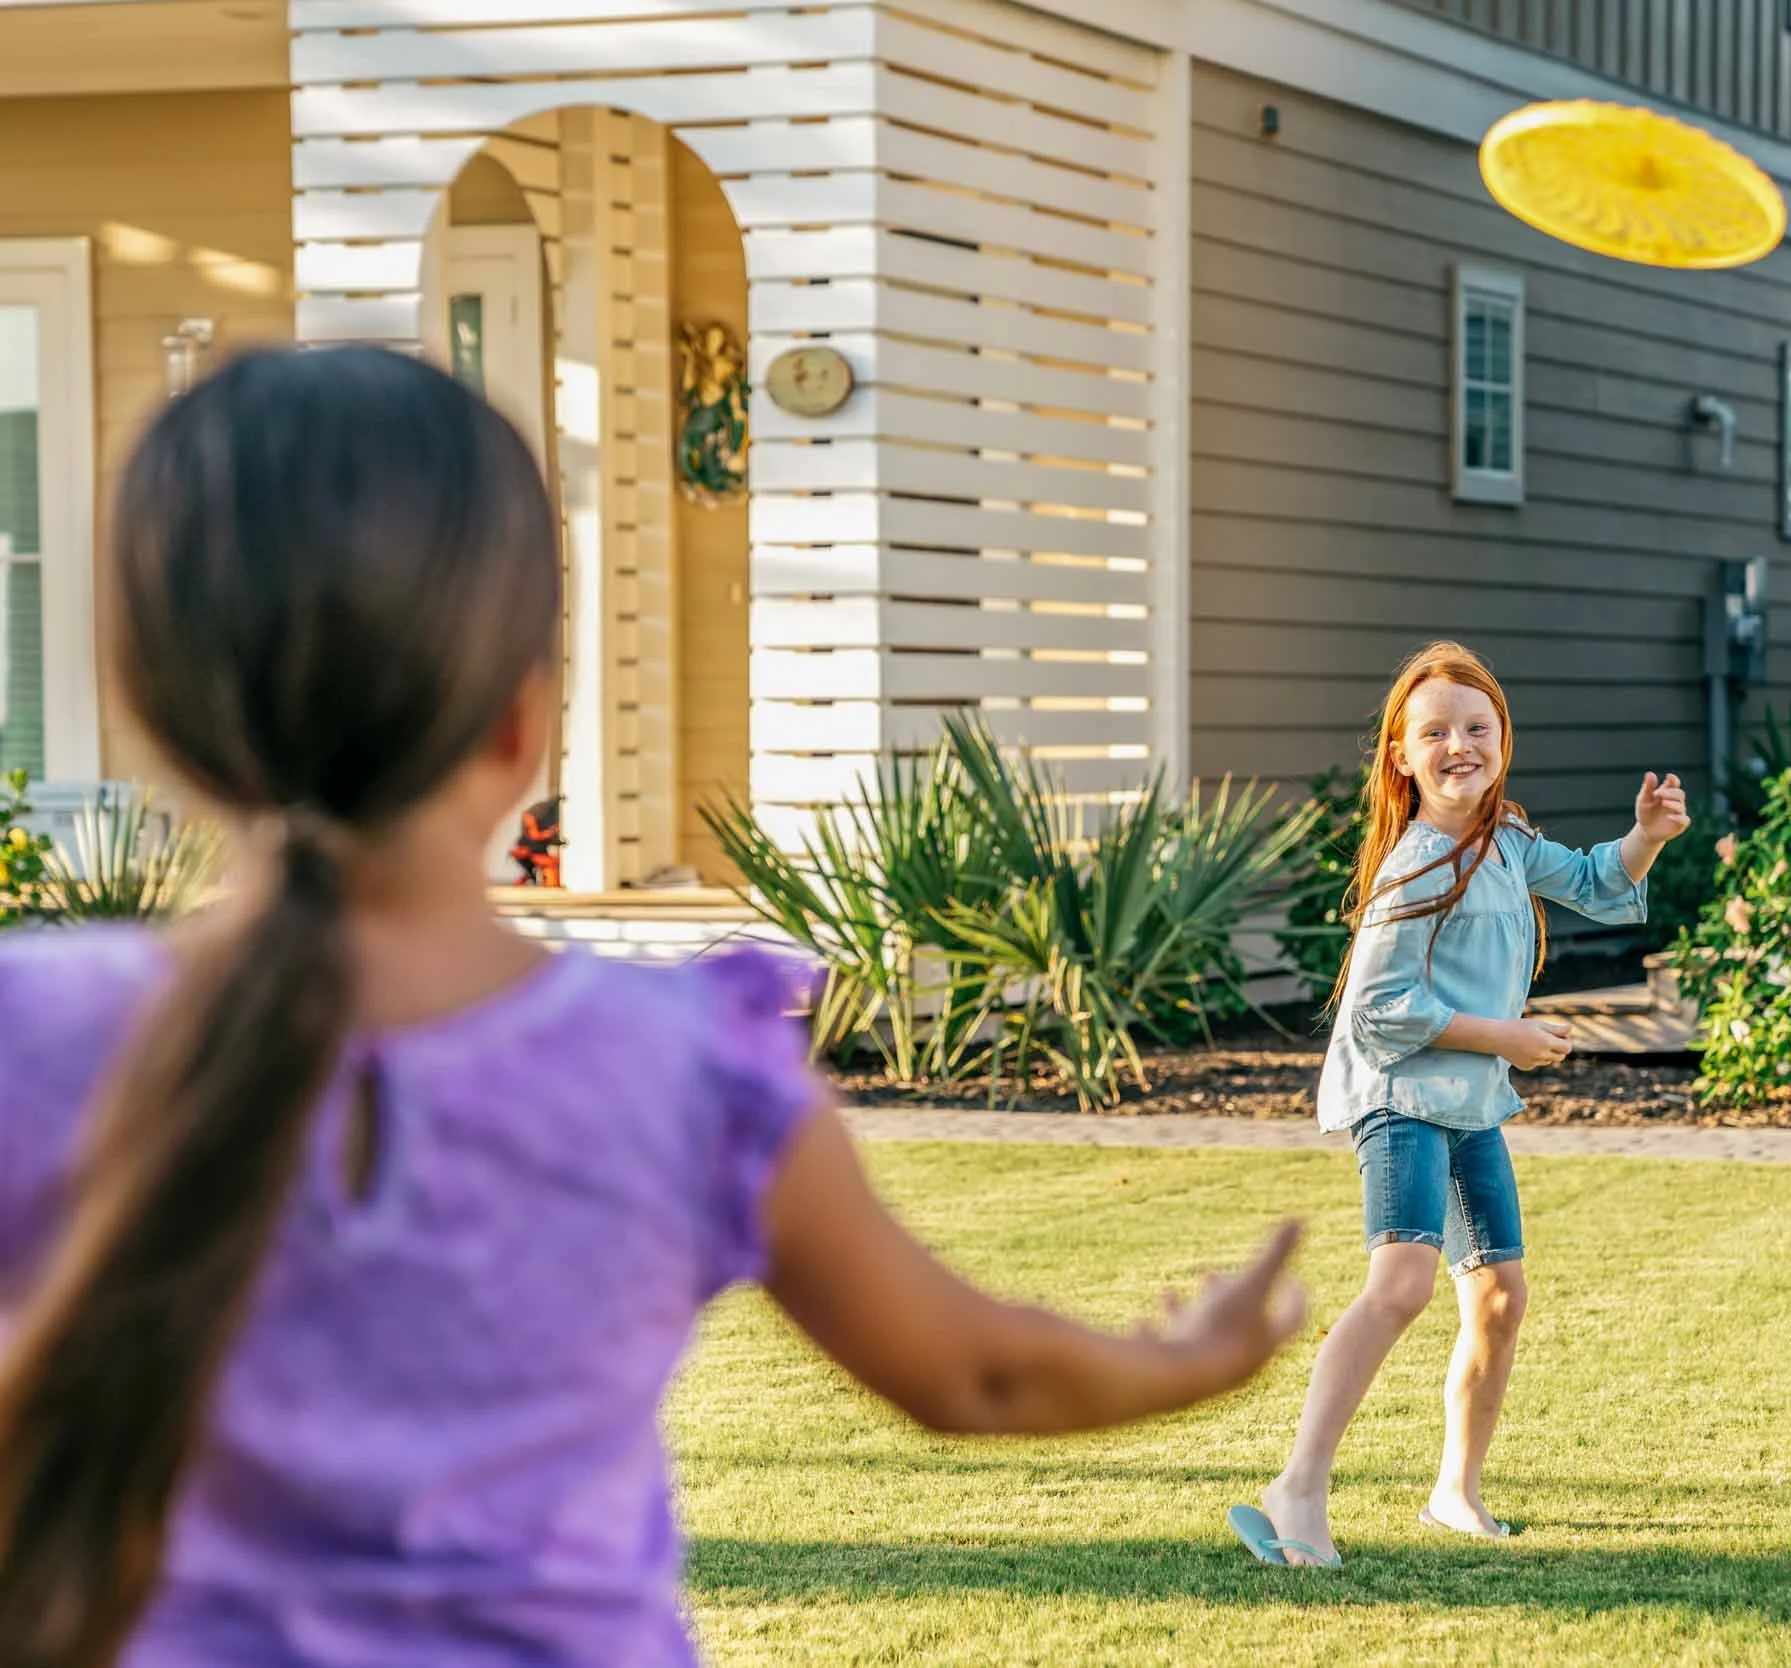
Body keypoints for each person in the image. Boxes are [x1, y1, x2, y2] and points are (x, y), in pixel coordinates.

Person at [0, 347, 1305, 1668]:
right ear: (524, 715)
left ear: (151, 710)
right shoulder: (683, 1067)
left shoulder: (30, 1037)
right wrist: (1195, 1358)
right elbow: (976, 1375)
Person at [1230, 643, 1688, 1568]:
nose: (1458, 746)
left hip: (1468, 1101)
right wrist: (1507, 1035)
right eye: (1434, 732)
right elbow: (1380, 1011)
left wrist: (1647, 836)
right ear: (1402, 755)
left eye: (1476, 728)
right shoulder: (1414, 867)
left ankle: (1455, 1493)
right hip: (1400, 1097)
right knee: (1399, 1285)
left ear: (1501, 741)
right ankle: (1298, 1486)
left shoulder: (1507, 842)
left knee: (1499, 1296)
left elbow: (1598, 883)